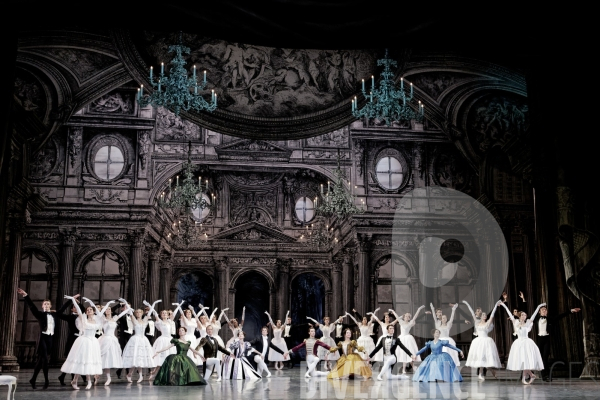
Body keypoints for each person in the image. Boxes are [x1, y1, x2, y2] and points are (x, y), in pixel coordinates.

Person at [17, 287, 72, 389]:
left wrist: (71, 299)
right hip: (42, 338)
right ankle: (47, 381)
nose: (46, 305)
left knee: (40, 361)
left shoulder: (54, 314)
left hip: (50, 339)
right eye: (45, 304)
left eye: (48, 304)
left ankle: (33, 379)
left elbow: (63, 308)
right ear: (42, 306)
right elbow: (31, 306)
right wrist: (25, 295)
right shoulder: (40, 315)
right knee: (45, 360)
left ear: (50, 306)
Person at [60, 296, 104, 390]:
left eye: (90, 309)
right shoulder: (83, 319)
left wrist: (92, 303)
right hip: (84, 341)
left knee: (89, 362)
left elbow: (100, 313)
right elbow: (79, 311)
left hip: (93, 342)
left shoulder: (97, 320)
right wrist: (73, 300)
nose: (89, 311)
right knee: (81, 361)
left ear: (93, 311)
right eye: (87, 310)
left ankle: (79, 380)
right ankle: (81, 380)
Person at [499, 301, 545, 384]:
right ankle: (530, 375)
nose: (524, 316)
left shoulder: (528, 323)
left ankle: (526, 377)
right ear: (520, 316)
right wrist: (503, 305)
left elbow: (534, 315)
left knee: (525, 361)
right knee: (522, 361)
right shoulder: (516, 322)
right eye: (523, 315)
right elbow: (509, 313)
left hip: (526, 343)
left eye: (525, 315)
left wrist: (539, 306)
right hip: (519, 343)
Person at [535, 304, 580, 381]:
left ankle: (547, 375)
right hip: (539, 339)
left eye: (545, 310)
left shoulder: (550, 319)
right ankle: (543, 375)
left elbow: (560, 316)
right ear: (539, 312)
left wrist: (571, 311)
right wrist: (523, 300)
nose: (544, 311)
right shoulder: (536, 319)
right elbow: (527, 316)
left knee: (545, 358)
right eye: (542, 309)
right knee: (540, 358)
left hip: (546, 339)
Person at [463, 300, 501, 380]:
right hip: (478, 342)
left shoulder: (487, 323)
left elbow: (492, 315)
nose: (484, 316)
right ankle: (481, 374)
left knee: (485, 359)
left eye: (485, 315)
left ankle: (487, 372)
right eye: (483, 315)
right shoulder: (477, 323)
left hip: (486, 341)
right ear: (481, 316)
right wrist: (467, 303)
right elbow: (472, 313)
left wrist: (495, 306)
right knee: (480, 358)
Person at [97, 300, 131, 385]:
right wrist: (108, 304)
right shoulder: (103, 319)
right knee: (101, 357)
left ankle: (108, 378)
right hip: (104, 339)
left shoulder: (114, 318)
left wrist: (125, 303)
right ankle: (97, 374)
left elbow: (126, 311)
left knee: (108, 359)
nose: (107, 310)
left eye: (109, 309)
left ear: (111, 311)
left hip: (112, 340)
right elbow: (98, 312)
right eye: (106, 309)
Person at [121, 303, 157, 382]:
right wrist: (125, 303)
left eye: (140, 312)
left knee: (140, 358)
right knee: (135, 357)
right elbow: (130, 312)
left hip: (143, 340)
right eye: (137, 312)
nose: (138, 313)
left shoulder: (145, 320)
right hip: (135, 339)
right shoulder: (133, 319)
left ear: (142, 313)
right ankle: (130, 373)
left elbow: (150, 311)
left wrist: (153, 304)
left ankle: (140, 376)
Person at [57, 295, 88, 385]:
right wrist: (70, 301)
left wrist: (78, 302)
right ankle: (73, 378)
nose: (76, 308)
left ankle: (65, 377)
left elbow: (83, 309)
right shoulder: (70, 317)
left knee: (80, 358)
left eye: (77, 307)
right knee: (72, 359)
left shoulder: (83, 317)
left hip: (81, 339)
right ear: (71, 309)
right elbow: (59, 313)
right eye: (74, 307)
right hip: (73, 339)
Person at [389, 305, 426, 374]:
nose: (407, 317)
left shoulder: (410, 323)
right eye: (406, 316)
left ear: (409, 318)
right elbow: (397, 316)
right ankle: (404, 369)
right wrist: (393, 311)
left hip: (408, 339)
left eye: (408, 316)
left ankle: (412, 366)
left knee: (409, 353)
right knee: (403, 353)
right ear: (404, 317)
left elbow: (415, 317)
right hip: (402, 338)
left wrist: (419, 309)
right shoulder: (401, 322)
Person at [148, 305, 177, 381]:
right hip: (162, 340)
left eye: (165, 313)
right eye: (163, 313)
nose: (164, 314)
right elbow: (155, 314)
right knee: (161, 358)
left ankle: (170, 375)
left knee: (170, 357)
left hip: (170, 340)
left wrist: (178, 306)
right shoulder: (159, 322)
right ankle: (155, 372)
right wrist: (151, 305)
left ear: (168, 315)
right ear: (161, 315)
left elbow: (174, 314)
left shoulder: (170, 321)